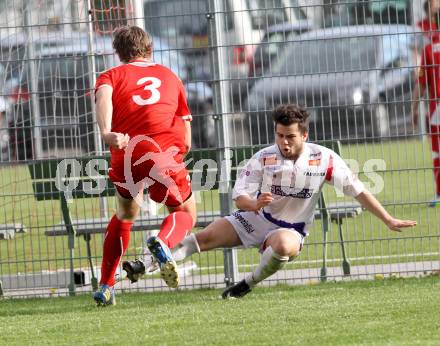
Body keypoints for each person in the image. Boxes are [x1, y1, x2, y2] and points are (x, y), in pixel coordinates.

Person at [124, 104, 417, 299]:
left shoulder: (323, 159)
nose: (284, 142)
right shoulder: (264, 157)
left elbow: (358, 191)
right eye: (279, 135)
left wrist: (388, 219)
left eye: (290, 136)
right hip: (255, 217)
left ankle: (245, 285)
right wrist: (254, 204)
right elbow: (239, 198)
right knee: (201, 239)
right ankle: (144, 265)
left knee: (284, 247)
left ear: (305, 134)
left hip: (290, 229)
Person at [93, 26, 197, 306]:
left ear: (119, 53)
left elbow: (102, 96)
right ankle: (162, 241)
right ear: (150, 48)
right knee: (185, 213)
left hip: (126, 152)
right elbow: (186, 129)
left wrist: (106, 133)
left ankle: (106, 285)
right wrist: (180, 150)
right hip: (164, 153)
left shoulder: (111, 76)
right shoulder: (169, 76)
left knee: (125, 214)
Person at [412, 9, 440, 207]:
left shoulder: (429, 50)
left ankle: (439, 194)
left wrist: (413, 107)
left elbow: (422, 83)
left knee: (438, 154)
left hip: (437, 109)